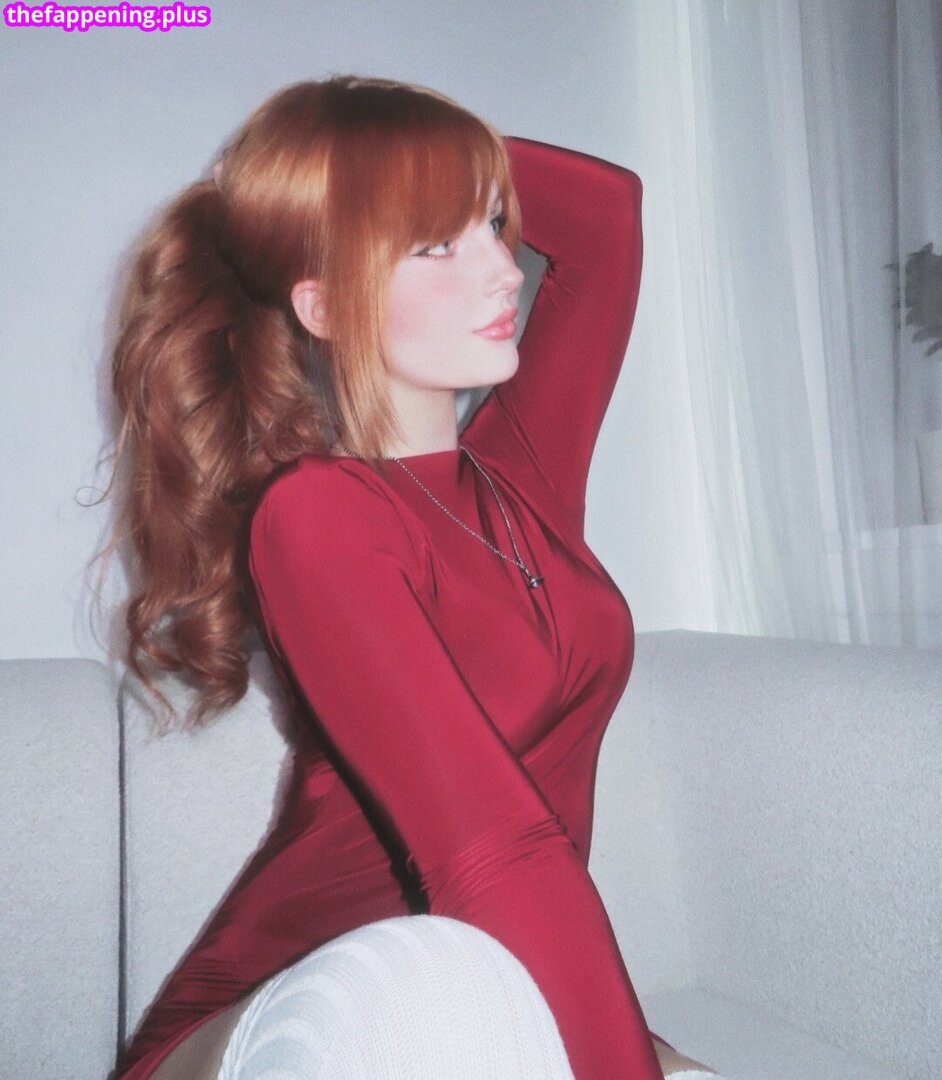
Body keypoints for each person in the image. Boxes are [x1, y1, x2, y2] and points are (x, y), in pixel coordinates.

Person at [109, 75, 714, 1079]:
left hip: (471, 977)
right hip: (316, 1009)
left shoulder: (522, 478)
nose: (503, 269)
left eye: (491, 225)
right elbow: (496, 850)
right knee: (439, 989)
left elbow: (607, 217)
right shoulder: (314, 516)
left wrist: (401, 154)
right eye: (436, 245)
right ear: (324, 303)